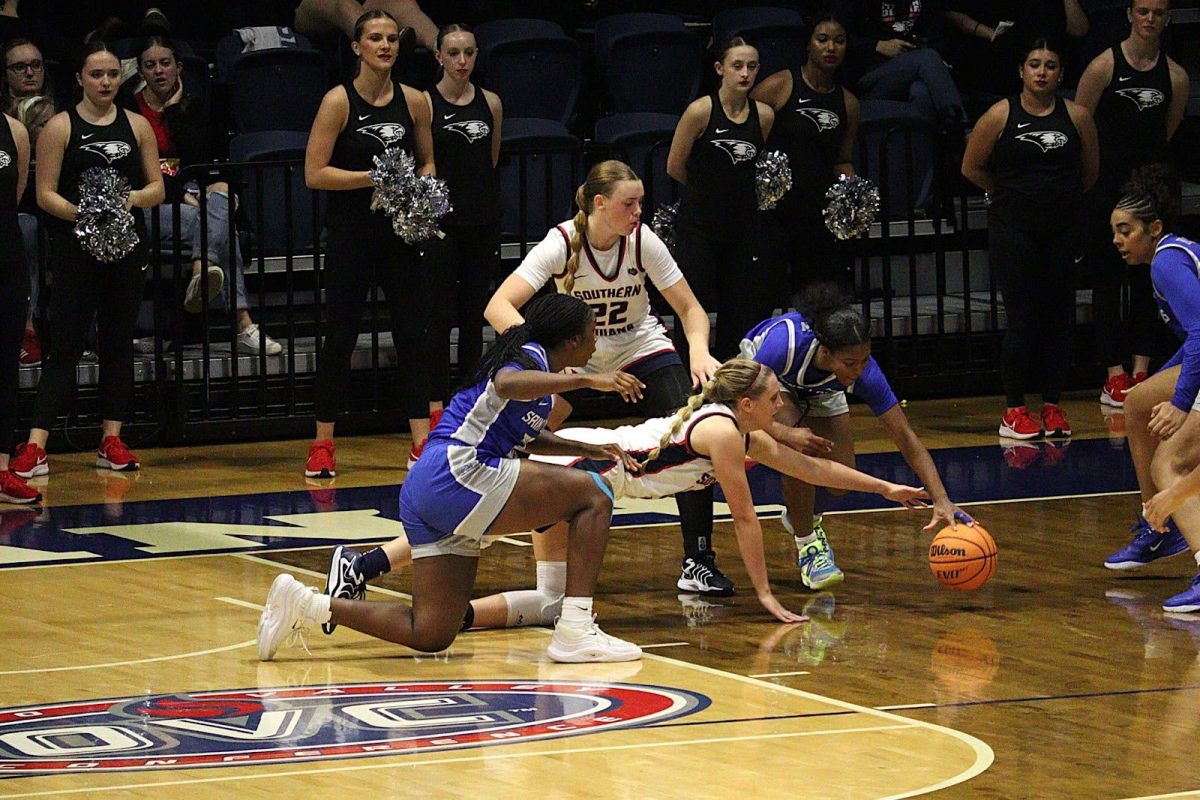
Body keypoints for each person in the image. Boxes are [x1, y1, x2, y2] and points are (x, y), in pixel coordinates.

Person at [325, 359, 931, 630]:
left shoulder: (745, 430)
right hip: (583, 466)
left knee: (549, 601)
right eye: (774, 398)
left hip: (594, 476)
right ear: (747, 403)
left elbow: (813, 470)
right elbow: (745, 519)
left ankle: (432, 610)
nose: (782, 406)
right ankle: (370, 564)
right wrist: (766, 596)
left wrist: (886, 488)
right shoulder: (721, 433)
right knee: (470, 524)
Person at [257, 293, 649, 664]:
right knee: (594, 494)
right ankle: (576, 629)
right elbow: (506, 385)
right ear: (574, 338)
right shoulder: (528, 359)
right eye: (594, 335)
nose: (597, 346)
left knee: (432, 632)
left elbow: (529, 438)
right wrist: (587, 381)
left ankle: (306, 605)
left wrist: (594, 450)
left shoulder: (542, 387)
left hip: (432, 488)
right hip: (458, 472)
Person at [484, 159, 730, 595]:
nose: (639, 212)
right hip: (579, 356)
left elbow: (690, 309)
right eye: (629, 203)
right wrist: (540, 356)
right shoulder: (561, 242)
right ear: (600, 203)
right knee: (517, 436)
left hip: (638, 346)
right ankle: (476, 525)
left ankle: (698, 559)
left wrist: (699, 352)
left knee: (691, 428)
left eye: (641, 203)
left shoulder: (642, 242)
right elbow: (498, 306)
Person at [740, 283, 971, 590]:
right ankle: (808, 544)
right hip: (768, 385)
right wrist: (784, 433)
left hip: (822, 389)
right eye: (850, 364)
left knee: (840, 480)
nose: (859, 371)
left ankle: (799, 514)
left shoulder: (864, 372)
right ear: (825, 352)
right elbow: (744, 405)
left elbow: (905, 436)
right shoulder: (783, 346)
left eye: (864, 361)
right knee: (799, 453)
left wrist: (942, 499)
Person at [8, 41, 164, 480]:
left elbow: (157, 188)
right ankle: (36, 445)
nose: (106, 82)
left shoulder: (138, 127)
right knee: (66, 347)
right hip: (77, 251)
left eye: (113, 74)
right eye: (97, 74)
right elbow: (44, 195)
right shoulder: (59, 127)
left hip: (128, 249)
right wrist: (89, 213)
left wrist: (124, 201)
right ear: (79, 79)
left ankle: (111, 438)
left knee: (117, 342)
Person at [303, 10, 439, 479]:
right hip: (351, 237)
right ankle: (323, 444)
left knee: (412, 336)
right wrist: (375, 178)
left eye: (391, 39)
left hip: (399, 237)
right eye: (374, 38)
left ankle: (421, 442)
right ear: (357, 46)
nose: (385, 45)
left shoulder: (417, 100)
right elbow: (314, 172)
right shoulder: (338, 101)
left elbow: (427, 162)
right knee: (339, 338)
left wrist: (418, 194)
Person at [961, 38, 1098, 440]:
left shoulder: (1077, 116)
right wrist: (1009, 195)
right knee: (1022, 319)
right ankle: (1015, 409)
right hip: (1014, 230)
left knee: (1059, 318)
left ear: (1060, 73)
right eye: (1034, 64)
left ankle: (1053, 406)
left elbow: (1089, 174)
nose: (1042, 72)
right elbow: (972, 166)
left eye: (1050, 65)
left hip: (1062, 230)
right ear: (1021, 70)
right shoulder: (1000, 115)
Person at [129, 35, 283, 355]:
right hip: (148, 203)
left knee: (222, 195)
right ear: (140, 72)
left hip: (193, 201)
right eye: (150, 65)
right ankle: (243, 324)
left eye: (165, 63)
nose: (159, 71)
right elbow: (131, 172)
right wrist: (178, 193)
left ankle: (203, 268)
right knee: (222, 229)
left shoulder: (195, 107)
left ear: (179, 67)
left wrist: (175, 111)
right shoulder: (128, 112)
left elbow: (202, 159)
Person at [1075, 0, 1188, 409]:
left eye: (1158, 13)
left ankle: (1141, 368)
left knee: (1149, 283)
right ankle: (1114, 374)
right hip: (1107, 191)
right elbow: (1081, 123)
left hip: (1151, 195)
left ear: (1167, 19)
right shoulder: (1103, 67)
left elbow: (1167, 130)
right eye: (1143, 11)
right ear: (1129, 15)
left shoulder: (1175, 75)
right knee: (1107, 282)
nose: (1150, 19)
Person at [1102, 166, 1200, 613]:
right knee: (1138, 399)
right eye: (1115, 232)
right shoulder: (1172, 256)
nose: (1119, 240)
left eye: (1126, 231)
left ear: (1154, 229)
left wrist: (1181, 403)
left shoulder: (1166, 261)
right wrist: (1167, 386)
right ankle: (1159, 526)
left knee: (1170, 463)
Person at [667, 37, 774, 362]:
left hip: (743, 227)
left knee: (740, 309)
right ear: (719, 68)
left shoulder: (765, 115)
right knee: (692, 304)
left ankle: (731, 380)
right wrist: (709, 191)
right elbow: (674, 166)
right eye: (737, 66)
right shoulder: (700, 111)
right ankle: (691, 382)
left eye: (751, 66)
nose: (745, 73)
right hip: (698, 227)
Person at [750, 14, 860, 296]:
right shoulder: (781, 85)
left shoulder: (848, 102)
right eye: (822, 39)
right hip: (774, 213)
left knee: (813, 296)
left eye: (839, 41)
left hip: (815, 213)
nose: (831, 47)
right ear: (808, 46)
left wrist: (853, 195)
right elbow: (744, 132)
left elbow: (842, 159)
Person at [422, 23, 501, 413]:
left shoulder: (491, 102)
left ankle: (470, 405)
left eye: (469, 52)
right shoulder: (424, 102)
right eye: (453, 52)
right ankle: (436, 406)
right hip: (441, 226)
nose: (462, 60)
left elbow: (491, 158)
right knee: (438, 319)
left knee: (474, 316)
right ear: (438, 56)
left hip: (482, 222)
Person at [832, 0, 965, 126]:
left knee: (921, 91)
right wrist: (877, 45)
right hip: (870, 77)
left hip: (912, 66)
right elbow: (838, 37)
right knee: (927, 57)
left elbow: (936, 32)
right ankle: (966, 131)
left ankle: (918, 147)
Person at [4, 39, 50, 367]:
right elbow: (16, 189)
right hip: (20, 210)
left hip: (57, 203)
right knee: (25, 228)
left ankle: (94, 332)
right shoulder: (5, 123)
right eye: (20, 67)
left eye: (36, 65)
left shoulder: (60, 110)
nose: (29, 72)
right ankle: (26, 328)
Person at [0, 109, 38, 502]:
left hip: (6, 262)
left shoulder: (14, 131)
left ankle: (1, 470)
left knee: (4, 367)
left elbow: (14, 193)